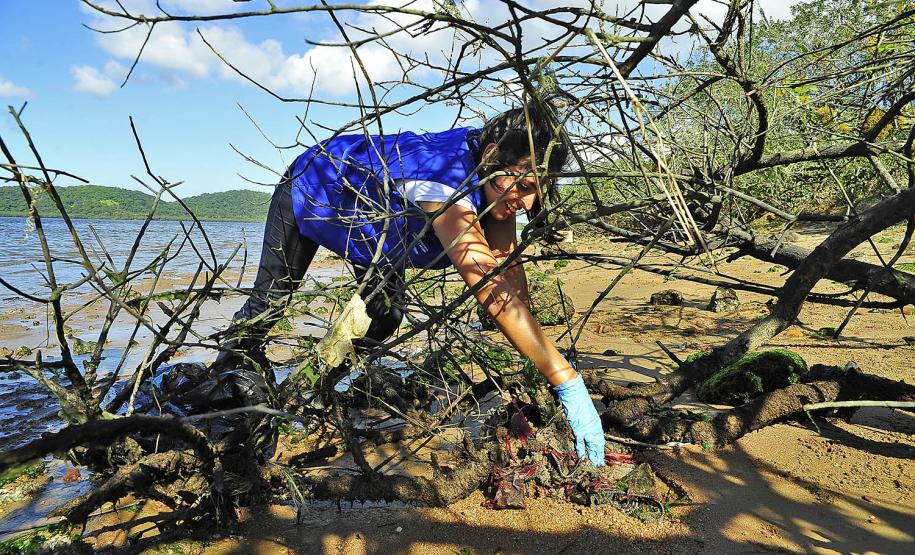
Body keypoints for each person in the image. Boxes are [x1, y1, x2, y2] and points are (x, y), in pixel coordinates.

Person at [213, 104, 606, 467]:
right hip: (315, 187)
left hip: (376, 226)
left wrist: (537, 356)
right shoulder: (444, 182)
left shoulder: (497, 181)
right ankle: (223, 382)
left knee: (385, 316)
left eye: (539, 188)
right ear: (489, 156)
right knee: (271, 303)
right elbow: (488, 284)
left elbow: (507, 271)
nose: (527, 200)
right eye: (522, 186)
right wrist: (567, 380)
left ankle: (317, 385)